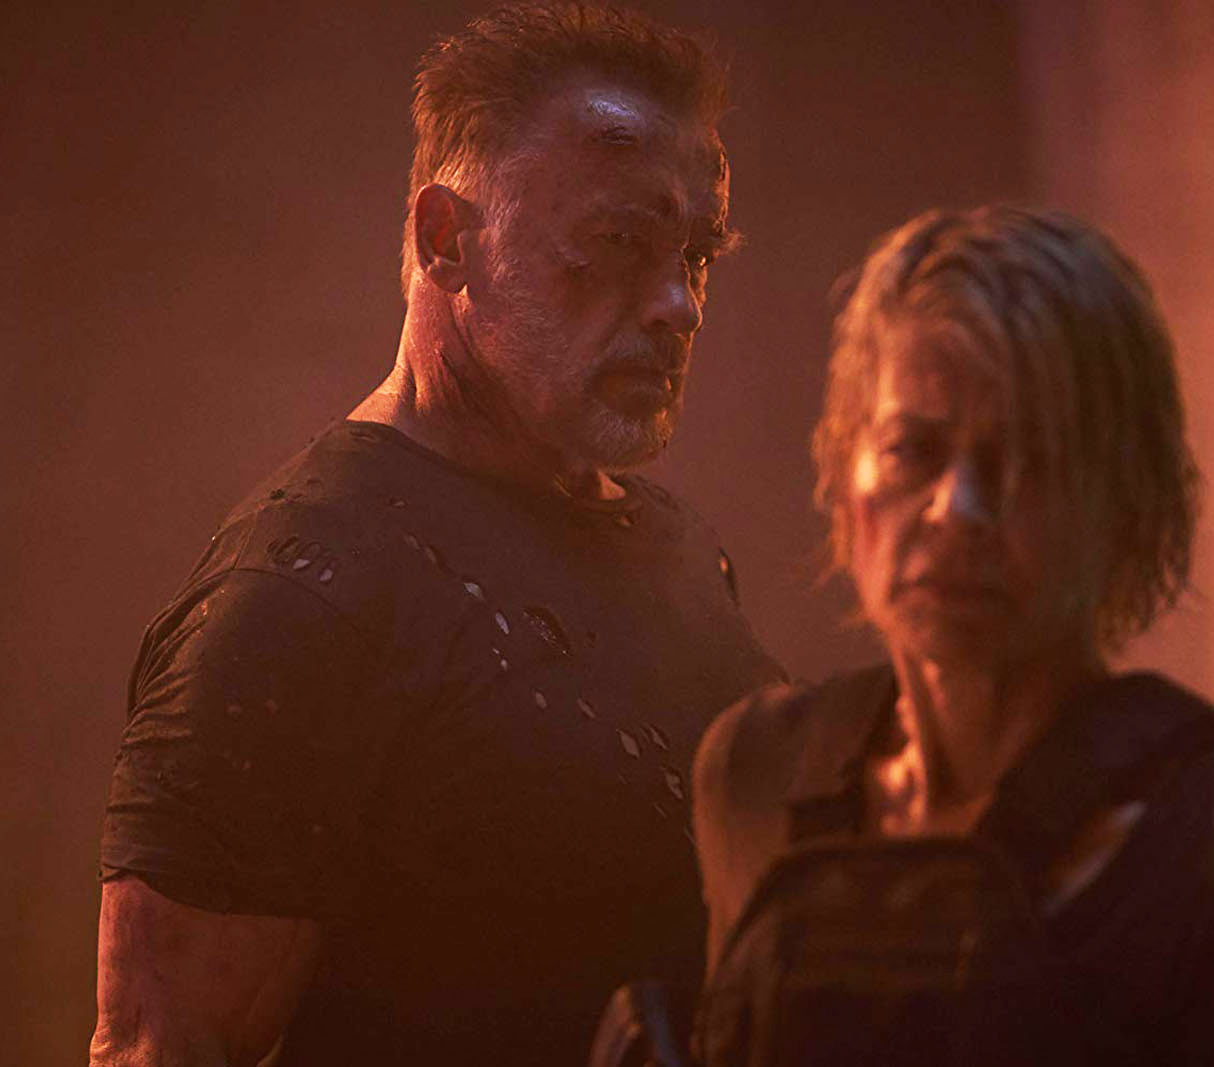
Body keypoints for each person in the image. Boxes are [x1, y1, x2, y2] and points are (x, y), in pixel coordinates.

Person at [90, 5, 783, 1064]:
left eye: (694, 255)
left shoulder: (673, 545)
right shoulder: (304, 592)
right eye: (618, 243)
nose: (677, 306)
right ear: (447, 241)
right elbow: (160, 1048)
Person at [690, 208, 1214, 1064]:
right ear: (845, 473)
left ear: (1126, 503)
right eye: (912, 449)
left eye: (1026, 459)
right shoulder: (753, 778)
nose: (956, 509)